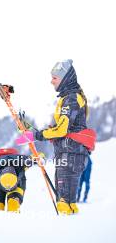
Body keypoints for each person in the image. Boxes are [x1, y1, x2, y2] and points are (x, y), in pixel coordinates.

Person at [18, 59, 96, 215]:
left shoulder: (71, 99)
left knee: (63, 203)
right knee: (68, 202)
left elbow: (62, 130)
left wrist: (36, 135)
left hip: (71, 156)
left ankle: (67, 231)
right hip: (70, 154)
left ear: (65, 78)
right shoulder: (71, 97)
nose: (51, 81)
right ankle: (72, 229)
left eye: (55, 78)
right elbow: (64, 128)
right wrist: (36, 132)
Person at [0, 148, 35, 213]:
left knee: (13, 205)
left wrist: (39, 158)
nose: (8, 190)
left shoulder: (21, 164)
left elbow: (36, 157)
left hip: (18, 180)